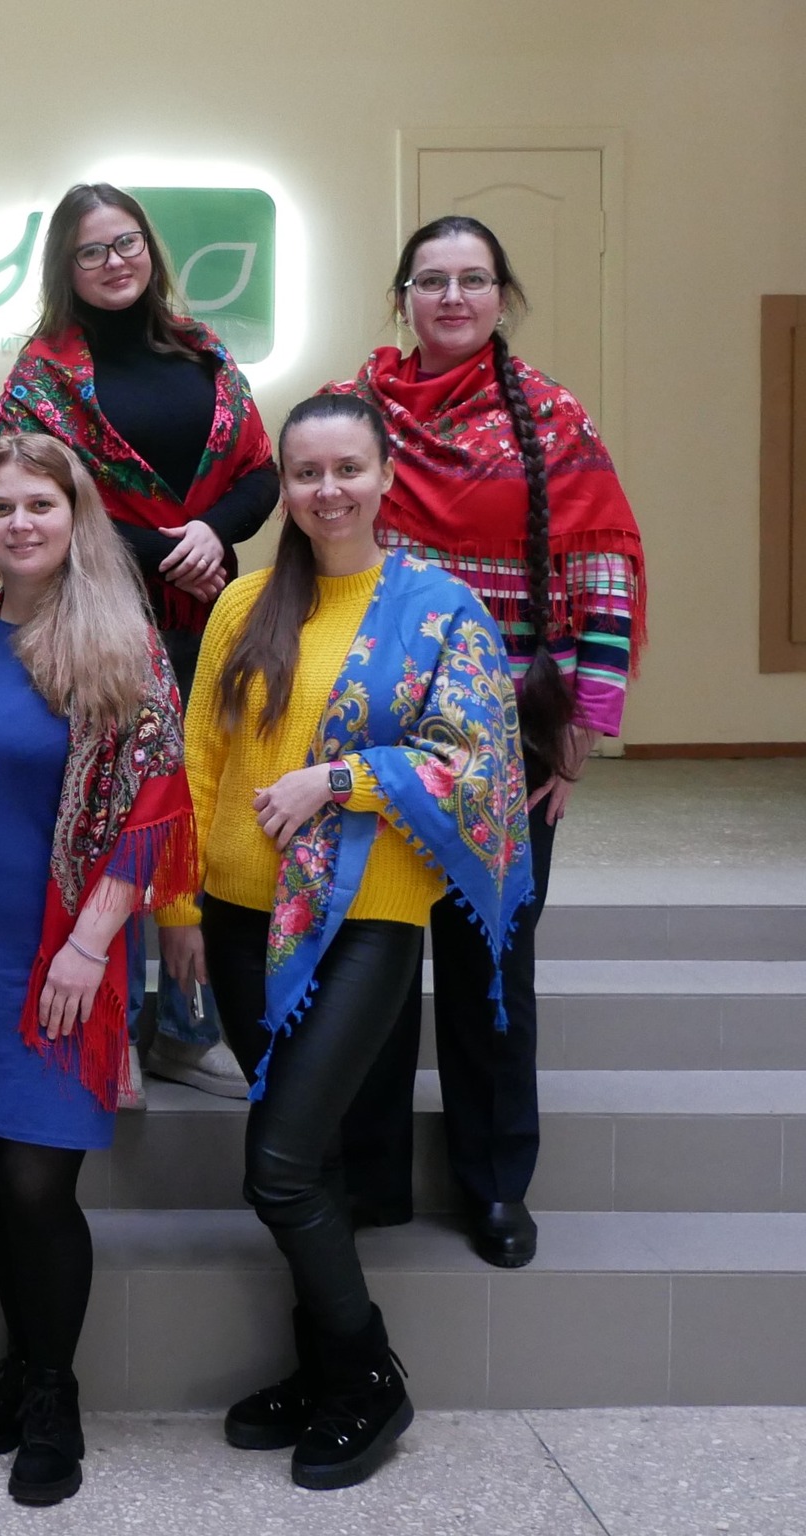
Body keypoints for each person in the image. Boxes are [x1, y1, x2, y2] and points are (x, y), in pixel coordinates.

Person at [159, 394, 531, 1491]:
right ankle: (323, 1369)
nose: (328, 491)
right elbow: (197, 758)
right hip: (237, 913)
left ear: (383, 478)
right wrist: (178, 909)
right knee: (309, 1158)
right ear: (282, 484)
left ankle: (369, 1377)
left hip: (364, 919)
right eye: (306, 472)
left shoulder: (437, 608)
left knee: (276, 1164)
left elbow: (475, 761)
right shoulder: (243, 604)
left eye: (347, 469)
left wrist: (339, 779)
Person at [330, 216, 647, 1267]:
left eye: (472, 280)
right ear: (402, 298)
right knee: (369, 962)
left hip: (503, 745)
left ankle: (495, 1182)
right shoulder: (356, 412)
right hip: (375, 738)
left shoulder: (553, 419)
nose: (452, 298)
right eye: (431, 280)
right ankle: (367, 1178)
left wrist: (581, 733)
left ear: (501, 296)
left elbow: (603, 572)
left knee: (490, 967)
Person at [0, 434, 192, 1507]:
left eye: (41, 504)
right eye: (1, 507)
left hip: (66, 954)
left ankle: (53, 1397)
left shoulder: (118, 640)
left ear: (76, 518)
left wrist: (90, 941)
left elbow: (156, 804)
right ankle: (22, 1366)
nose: (20, 523)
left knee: (38, 1183)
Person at [0, 183, 276, 1101]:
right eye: (91, 251)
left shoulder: (202, 349)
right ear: (64, 268)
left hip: (211, 618)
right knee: (111, 812)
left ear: (149, 249)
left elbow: (262, 473)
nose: (114, 262)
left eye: (126, 244)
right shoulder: (42, 375)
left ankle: (188, 1025)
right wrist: (168, 551)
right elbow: (33, 501)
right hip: (96, 623)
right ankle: (104, 1018)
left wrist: (212, 536)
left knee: (199, 804)